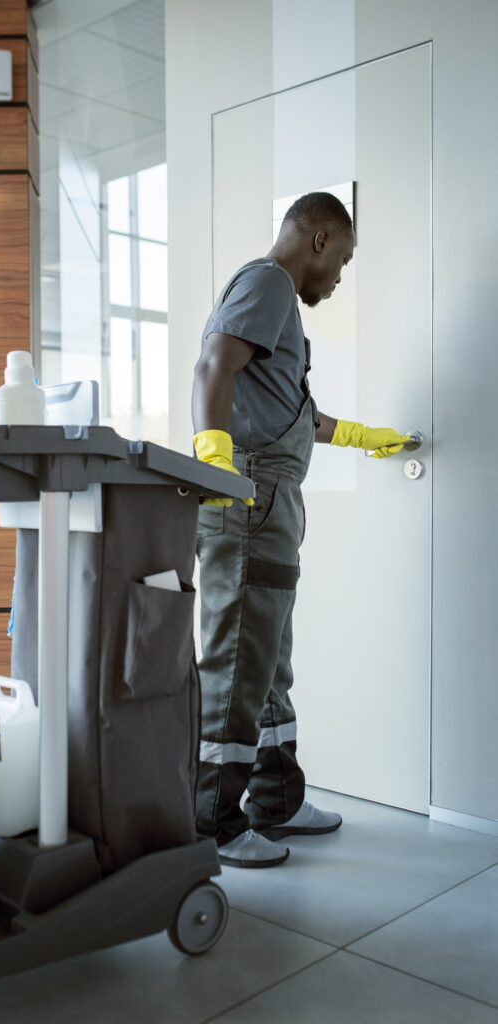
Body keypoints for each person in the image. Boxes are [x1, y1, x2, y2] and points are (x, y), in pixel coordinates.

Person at [192, 192, 408, 868]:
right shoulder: (267, 282)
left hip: (271, 499)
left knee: (267, 658)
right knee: (236, 660)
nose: (338, 276)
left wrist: (359, 436)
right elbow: (212, 366)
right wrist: (213, 456)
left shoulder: (277, 300)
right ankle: (214, 823)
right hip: (248, 496)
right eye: (341, 260)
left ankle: (275, 801)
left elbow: (291, 410)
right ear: (319, 238)